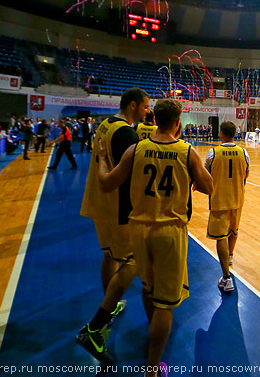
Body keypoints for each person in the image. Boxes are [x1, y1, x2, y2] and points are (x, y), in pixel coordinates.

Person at [97, 99, 213, 376]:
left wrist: (102, 158)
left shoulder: (135, 149)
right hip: (169, 232)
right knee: (165, 304)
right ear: (178, 123)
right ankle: (152, 368)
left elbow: (106, 183)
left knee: (148, 289)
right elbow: (209, 187)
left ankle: (141, 334)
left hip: (138, 230)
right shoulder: (186, 151)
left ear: (154, 120)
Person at [76, 88, 149, 364]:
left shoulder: (105, 124)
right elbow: (126, 178)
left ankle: (111, 300)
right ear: (132, 106)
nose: (146, 111)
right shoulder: (126, 134)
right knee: (133, 262)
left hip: (98, 204)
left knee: (109, 254)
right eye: (144, 107)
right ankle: (94, 328)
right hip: (118, 208)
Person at [204, 121, 250, 292]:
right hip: (237, 199)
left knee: (220, 237)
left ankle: (226, 278)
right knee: (234, 231)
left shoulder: (213, 152)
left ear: (221, 133)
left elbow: (206, 173)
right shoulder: (243, 152)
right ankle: (230, 257)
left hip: (219, 200)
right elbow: (246, 174)